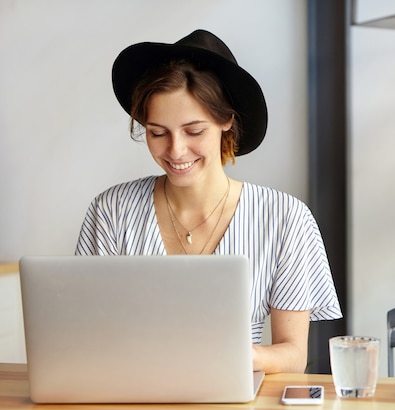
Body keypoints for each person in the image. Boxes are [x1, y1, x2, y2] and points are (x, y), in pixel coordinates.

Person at [75, 29, 342, 374]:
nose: (175, 150)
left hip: (235, 390)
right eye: (158, 132)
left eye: (194, 131)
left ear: (226, 120)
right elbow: (83, 333)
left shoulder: (285, 218)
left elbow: (292, 355)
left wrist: (240, 355)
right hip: (131, 392)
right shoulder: (111, 211)